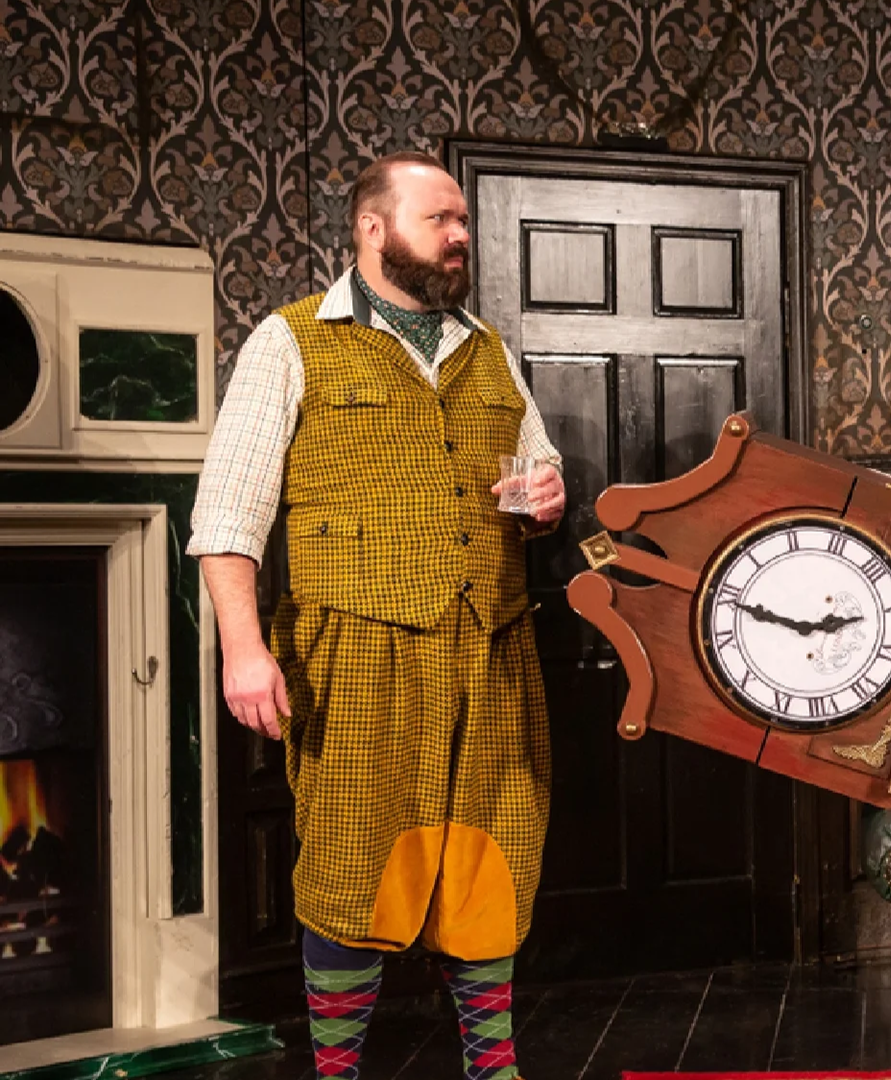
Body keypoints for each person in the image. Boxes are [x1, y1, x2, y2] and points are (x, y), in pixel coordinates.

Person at [189, 151, 564, 1080]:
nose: (460, 236)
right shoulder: (290, 341)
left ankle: (492, 1065)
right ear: (372, 228)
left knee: (492, 850)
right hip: (355, 650)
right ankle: (338, 1070)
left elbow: (538, 463)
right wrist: (243, 649)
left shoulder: (488, 349)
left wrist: (547, 493)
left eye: (463, 221)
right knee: (354, 857)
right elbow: (228, 513)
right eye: (441, 219)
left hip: (491, 643)